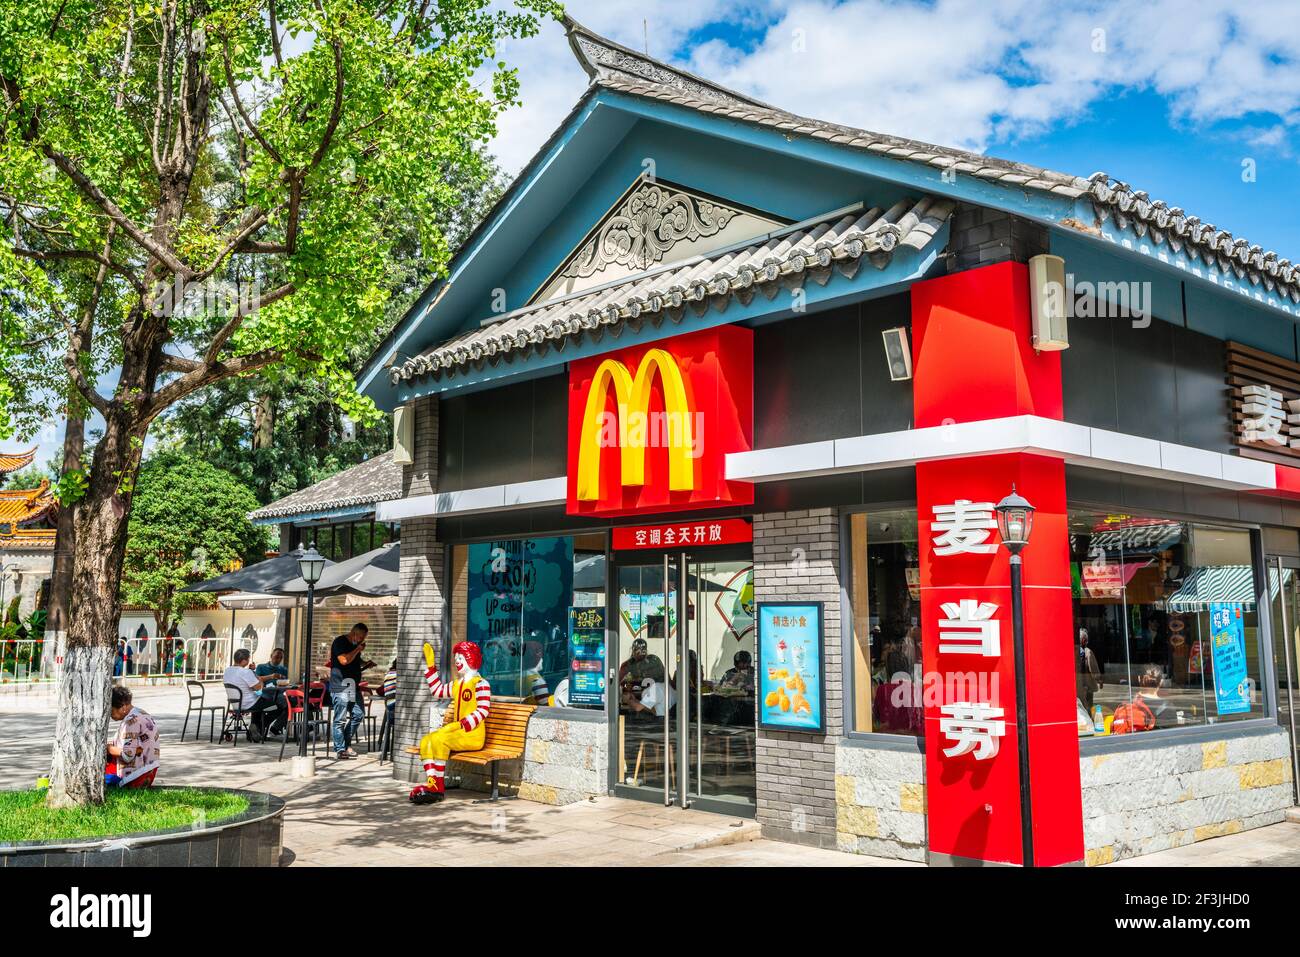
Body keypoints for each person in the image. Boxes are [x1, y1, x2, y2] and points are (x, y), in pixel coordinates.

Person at [409, 641, 491, 805]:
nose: (457, 661)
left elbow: (483, 710)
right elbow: (437, 691)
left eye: (461, 657)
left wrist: (461, 724)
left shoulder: (480, 684)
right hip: (458, 732)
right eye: (456, 658)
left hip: (473, 734)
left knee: (440, 740)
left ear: (471, 658)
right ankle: (433, 784)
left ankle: (437, 787)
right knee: (427, 740)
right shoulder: (457, 684)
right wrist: (431, 667)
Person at [328, 622, 375, 759]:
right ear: (355, 633)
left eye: (364, 638)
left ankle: (346, 743)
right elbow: (343, 660)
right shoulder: (340, 642)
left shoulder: (355, 646)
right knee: (340, 719)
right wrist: (357, 650)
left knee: (358, 714)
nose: (362, 640)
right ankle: (340, 748)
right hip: (340, 685)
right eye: (361, 637)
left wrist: (365, 663)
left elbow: (355, 661)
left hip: (353, 685)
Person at [223, 649, 285, 742]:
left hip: (236, 703)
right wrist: (257, 677)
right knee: (278, 706)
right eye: (248, 659)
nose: (248, 661)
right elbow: (258, 688)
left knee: (259, 702)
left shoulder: (227, 671)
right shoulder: (245, 672)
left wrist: (252, 673)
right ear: (244, 660)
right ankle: (258, 727)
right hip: (250, 703)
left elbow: (246, 683)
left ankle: (254, 730)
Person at [105, 685, 159, 788]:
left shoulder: (130, 722)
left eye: (111, 711)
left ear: (123, 707)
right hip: (149, 770)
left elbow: (127, 755)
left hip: (136, 776)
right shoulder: (141, 713)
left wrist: (108, 748)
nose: (110, 715)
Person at [254, 648, 290, 735]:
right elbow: (256, 679)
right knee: (280, 706)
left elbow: (288, 681)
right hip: (266, 694)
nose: (278, 659)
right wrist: (271, 676)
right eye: (276, 656)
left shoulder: (283, 669)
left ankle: (275, 727)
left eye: (280, 658)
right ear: (271, 656)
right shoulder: (261, 667)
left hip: (280, 693)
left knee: (291, 704)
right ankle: (262, 726)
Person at [1077, 628, 1103, 710]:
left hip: (1078, 685)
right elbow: (1094, 669)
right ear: (1084, 640)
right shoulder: (1088, 652)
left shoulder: (1074, 651)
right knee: (1088, 707)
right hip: (1088, 686)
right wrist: (1099, 680)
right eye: (1086, 640)